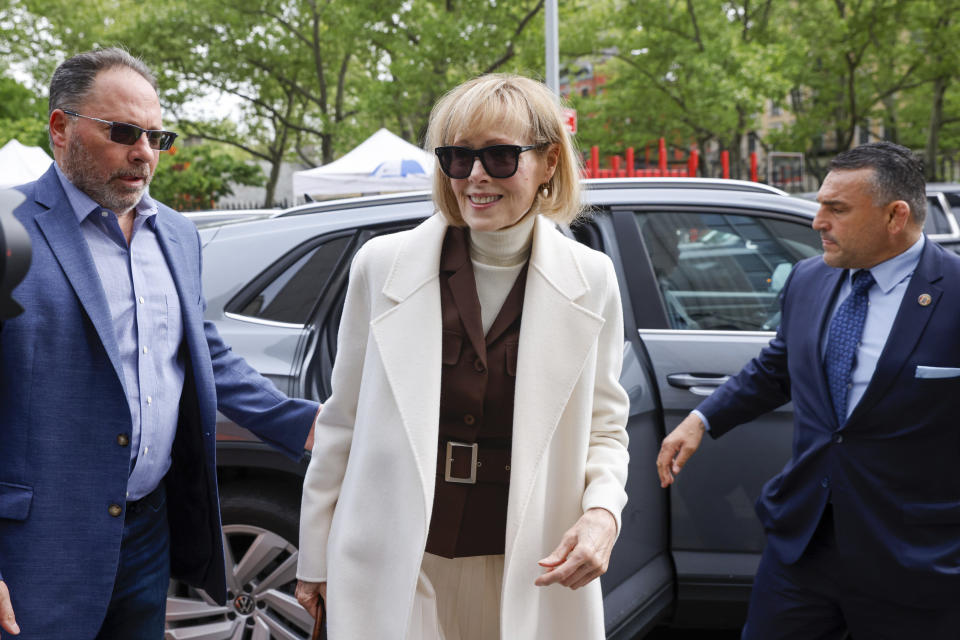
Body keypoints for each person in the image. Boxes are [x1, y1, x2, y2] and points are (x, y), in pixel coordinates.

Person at [294, 74, 630, 640]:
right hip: (397, 559)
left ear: (549, 163)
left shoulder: (590, 279)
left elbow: (605, 427)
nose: (474, 176)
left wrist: (603, 513)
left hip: (528, 563)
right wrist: (315, 555)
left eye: (499, 156)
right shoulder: (381, 266)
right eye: (457, 156)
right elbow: (341, 421)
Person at [0, 48, 319, 639]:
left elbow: (197, 350)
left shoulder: (175, 233)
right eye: (123, 132)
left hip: (147, 530)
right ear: (60, 127)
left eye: (156, 136)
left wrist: (304, 425)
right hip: (34, 545)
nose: (144, 153)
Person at [657, 141, 960, 639]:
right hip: (804, 542)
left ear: (895, 215)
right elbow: (779, 366)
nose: (818, 221)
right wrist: (703, 418)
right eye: (821, 205)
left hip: (915, 557)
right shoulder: (809, 278)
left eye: (836, 209)